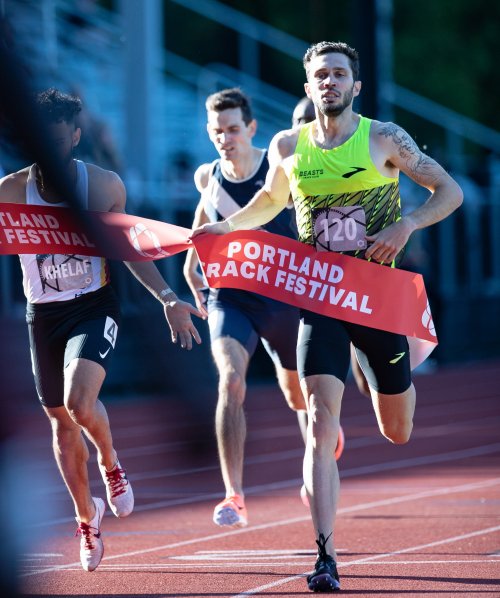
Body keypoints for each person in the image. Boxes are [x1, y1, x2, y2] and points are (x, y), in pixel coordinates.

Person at [191, 42, 463, 592]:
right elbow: (270, 202)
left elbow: (449, 191)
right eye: (321, 75)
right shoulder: (288, 145)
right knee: (319, 422)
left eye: (339, 74)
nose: (330, 82)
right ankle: (325, 556)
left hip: (376, 299)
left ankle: (382, 370)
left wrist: (407, 224)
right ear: (308, 86)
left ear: (354, 86)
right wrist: (223, 228)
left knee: (397, 431)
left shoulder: (384, 138)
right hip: (321, 297)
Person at [0, 88, 206, 573]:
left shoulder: (103, 186)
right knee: (60, 422)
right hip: (42, 313)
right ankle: (86, 518)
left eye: (57, 142)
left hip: (94, 306)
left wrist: (168, 298)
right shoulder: (10, 191)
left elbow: (130, 249)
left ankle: (111, 464)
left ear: (75, 137)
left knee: (79, 402)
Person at [184, 88, 342, 529]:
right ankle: (233, 494)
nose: (225, 138)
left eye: (233, 129)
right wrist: (191, 267)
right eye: (217, 131)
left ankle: (317, 460)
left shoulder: (278, 168)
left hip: (284, 297)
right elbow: (203, 224)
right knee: (230, 381)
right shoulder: (207, 175)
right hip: (232, 297)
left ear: (252, 128)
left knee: (299, 397)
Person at [292, 95, 370, 399]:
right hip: (312, 289)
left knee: (367, 381)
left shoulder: (349, 160)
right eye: (298, 121)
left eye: (309, 120)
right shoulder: (285, 163)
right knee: (307, 386)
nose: (305, 126)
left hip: (357, 286)